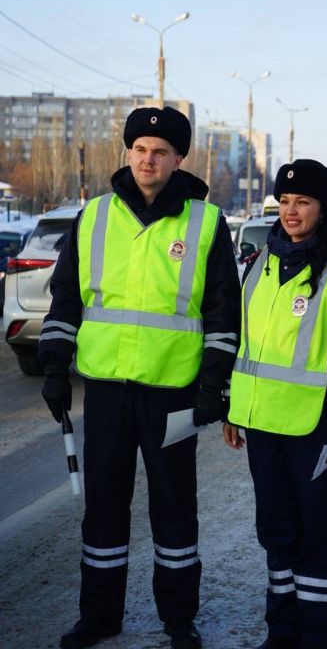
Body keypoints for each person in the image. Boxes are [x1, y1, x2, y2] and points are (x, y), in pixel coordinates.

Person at [39, 106, 240, 649]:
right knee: (103, 507)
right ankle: (98, 617)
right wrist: (55, 368)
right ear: (128, 153)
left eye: (160, 152)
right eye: (140, 150)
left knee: (175, 511)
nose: (148, 160)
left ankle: (178, 620)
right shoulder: (95, 216)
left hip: (172, 395)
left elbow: (224, 315)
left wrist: (213, 386)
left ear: (179, 159)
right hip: (105, 391)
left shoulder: (205, 223)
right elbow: (66, 300)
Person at [224, 159, 327, 649]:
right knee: (277, 530)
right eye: (284, 202)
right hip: (263, 424)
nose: (290, 212)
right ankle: (282, 632)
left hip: (319, 429)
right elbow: (248, 344)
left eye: (302, 202)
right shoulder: (257, 264)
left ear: (323, 208)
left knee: (320, 534)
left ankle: (318, 636)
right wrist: (233, 408)